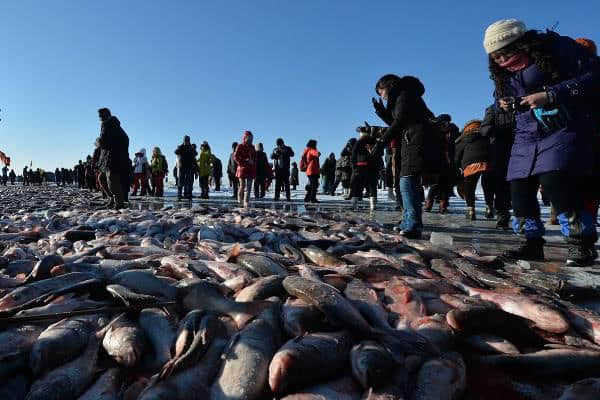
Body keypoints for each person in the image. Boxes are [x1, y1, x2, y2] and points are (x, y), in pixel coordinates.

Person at [484, 19, 600, 265]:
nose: (503, 61)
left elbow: (594, 77)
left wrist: (551, 94)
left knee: (556, 181)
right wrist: (503, 104)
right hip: (526, 133)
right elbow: (499, 98)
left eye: (507, 53)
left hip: (564, 124)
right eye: (496, 57)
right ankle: (531, 243)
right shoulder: (502, 73)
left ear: (522, 43)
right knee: (519, 188)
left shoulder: (557, 49)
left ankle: (582, 244)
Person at [373, 74, 440, 239]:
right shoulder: (404, 95)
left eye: (380, 91)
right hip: (411, 140)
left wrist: (382, 140)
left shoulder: (404, 94)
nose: (381, 95)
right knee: (406, 181)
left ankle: (414, 224)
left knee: (407, 181)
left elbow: (400, 121)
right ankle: (407, 220)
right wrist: (382, 112)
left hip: (417, 141)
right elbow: (397, 121)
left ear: (388, 86)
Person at [480, 103, 516, 229]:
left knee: (513, 185)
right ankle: (503, 216)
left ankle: (521, 217)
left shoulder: (522, 105)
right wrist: (503, 130)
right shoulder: (493, 109)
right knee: (501, 185)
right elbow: (484, 129)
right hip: (499, 153)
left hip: (519, 150)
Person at [454, 120, 493, 220]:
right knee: (488, 186)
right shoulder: (487, 137)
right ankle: (489, 208)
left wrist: (457, 167)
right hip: (488, 163)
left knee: (469, 188)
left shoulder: (464, 138)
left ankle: (471, 210)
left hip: (470, 165)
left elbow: (457, 156)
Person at [424, 114, 459, 214]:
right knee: (435, 184)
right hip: (436, 161)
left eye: (448, 121)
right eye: (444, 122)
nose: (446, 124)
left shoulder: (453, 131)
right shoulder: (433, 132)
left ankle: (443, 205)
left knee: (446, 184)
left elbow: (456, 143)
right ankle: (429, 203)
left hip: (449, 162)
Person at [97, 107, 129, 209]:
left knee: (112, 181)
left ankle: (119, 203)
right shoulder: (105, 126)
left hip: (115, 158)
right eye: (100, 116)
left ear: (108, 115)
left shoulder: (112, 125)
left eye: (103, 115)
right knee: (101, 178)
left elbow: (108, 143)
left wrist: (100, 142)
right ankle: (111, 198)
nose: (101, 117)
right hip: (107, 159)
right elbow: (104, 146)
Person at [351, 127, 384, 211]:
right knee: (372, 186)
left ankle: (354, 204)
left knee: (357, 185)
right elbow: (381, 154)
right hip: (372, 167)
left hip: (361, 166)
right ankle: (373, 205)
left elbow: (354, 154)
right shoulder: (375, 141)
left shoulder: (359, 142)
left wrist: (354, 166)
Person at [234, 131, 257, 208]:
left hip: (250, 169)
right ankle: (240, 199)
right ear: (245, 138)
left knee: (249, 186)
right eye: (249, 138)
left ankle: (246, 201)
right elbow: (236, 157)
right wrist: (244, 161)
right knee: (242, 185)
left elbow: (255, 157)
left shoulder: (252, 147)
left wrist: (253, 162)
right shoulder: (240, 146)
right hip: (242, 169)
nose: (250, 140)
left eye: (252, 138)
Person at [175, 135, 197, 201]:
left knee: (189, 182)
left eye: (187, 140)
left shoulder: (191, 148)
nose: (186, 142)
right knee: (180, 182)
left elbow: (195, 155)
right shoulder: (181, 147)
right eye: (185, 140)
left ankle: (189, 196)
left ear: (189, 141)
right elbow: (176, 152)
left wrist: (196, 170)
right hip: (182, 167)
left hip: (190, 167)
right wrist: (180, 147)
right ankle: (179, 196)